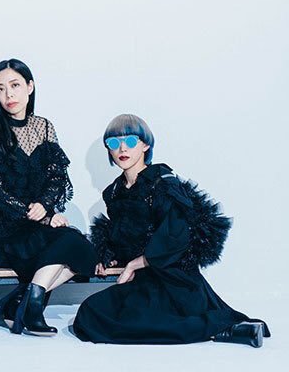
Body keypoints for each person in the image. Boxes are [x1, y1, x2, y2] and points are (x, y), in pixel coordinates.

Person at [73, 114, 269, 347]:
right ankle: (226, 329)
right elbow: (125, 236)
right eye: (114, 143)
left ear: (145, 145)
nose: (122, 149)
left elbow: (177, 234)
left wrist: (134, 264)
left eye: (131, 141)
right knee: (89, 315)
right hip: (144, 278)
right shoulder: (114, 192)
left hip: (172, 274)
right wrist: (108, 256)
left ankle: (226, 329)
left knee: (134, 318)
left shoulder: (162, 182)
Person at [0, 59, 97, 336]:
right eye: (0, 89)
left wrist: (45, 208)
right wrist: (35, 214)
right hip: (6, 224)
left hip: (39, 217)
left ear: (30, 87)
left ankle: (23, 303)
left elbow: (56, 176)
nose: (9, 95)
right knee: (64, 247)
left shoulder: (44, 127)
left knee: (82, 248)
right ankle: (30, 308)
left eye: (15, 85)